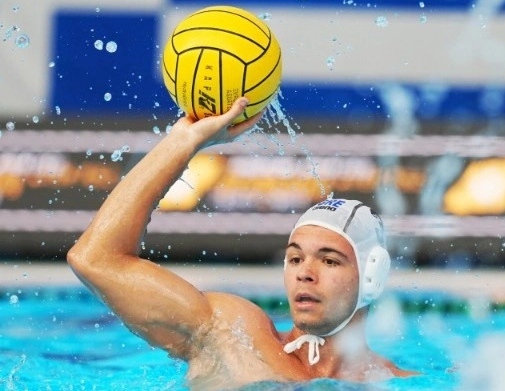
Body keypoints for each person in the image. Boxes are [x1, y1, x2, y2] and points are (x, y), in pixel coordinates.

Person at [67, 97, 417, 389]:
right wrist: (184, 141)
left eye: (329, 260)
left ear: (371, 276)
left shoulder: (397, 384)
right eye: (295, 259)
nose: (305, 273)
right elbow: (95, 259)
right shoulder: (231, 333)